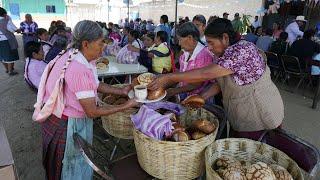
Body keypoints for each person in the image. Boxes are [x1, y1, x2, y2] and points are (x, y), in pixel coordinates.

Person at [34, 20, 138, 180]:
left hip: (62, 118)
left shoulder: (74, 54)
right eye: (100, 43)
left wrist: (121, 90)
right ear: (85, 43)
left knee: (77, 163)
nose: (103, 46)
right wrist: (127, 105)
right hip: (67, 125)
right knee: (72, 166)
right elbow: (92, 111)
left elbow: (94, 84)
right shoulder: (78, 68)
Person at [148, 18, 284, 140]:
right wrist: (201, 97)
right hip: (241, 114)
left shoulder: (242, 50)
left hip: (260, 112)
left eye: (211, 43)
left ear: (225, 38)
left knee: (259, 148)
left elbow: (205, 74)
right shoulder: (224, 53)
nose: (209, 48)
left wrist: (169, 76)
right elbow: (221, 83)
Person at [166, 22, 215, 100]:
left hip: (200, 98)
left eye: (180, 40)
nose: (179, 43)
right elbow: (182, 73)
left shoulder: (204, 55)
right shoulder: (186, 53)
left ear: (190, 38)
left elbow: (196, 84)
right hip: (186, 94)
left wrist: (173, 91)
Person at [0, 7, 20, 75]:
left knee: (2, 56)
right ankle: (10, 71)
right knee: (10, 56)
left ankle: (7, 69)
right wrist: (18, 30)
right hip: (7, 40)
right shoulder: (6, 20)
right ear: (4, 14)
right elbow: (12, 29)